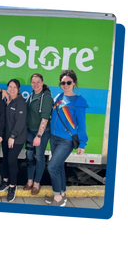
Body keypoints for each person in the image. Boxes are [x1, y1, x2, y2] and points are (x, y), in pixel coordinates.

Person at [45, 69, 88, 206]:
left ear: (74, 82)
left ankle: (57, 198)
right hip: (54, 138)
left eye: (68, 82)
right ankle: (62, 193)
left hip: (66, 141)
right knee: (58, 167)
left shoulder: (78, 101)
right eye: (63, 82)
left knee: (52, 167)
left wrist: (82, 143)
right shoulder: (58, 97)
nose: (65, 84)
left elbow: (81, 124)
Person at [0, 79, 27, 202]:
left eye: (15, 87)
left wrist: (13, 136)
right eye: (10, 87)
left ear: (18, 89)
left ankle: (12, 186)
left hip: (16, 138)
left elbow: (20, 122)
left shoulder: (21, 103)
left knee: (11, 161)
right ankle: (5, 181)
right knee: (5, 159)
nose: (12, 89)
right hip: (6, 137)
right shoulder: (8, 100)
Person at [23, 73, 53, 195]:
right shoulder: (31, 95)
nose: (35, 84)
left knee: (39, 156)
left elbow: (45, 118)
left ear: (42, 82)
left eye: (38, 82)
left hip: (42, 133)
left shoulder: (46, 97)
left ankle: (36, 183)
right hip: (30, 131)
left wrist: (39, 136)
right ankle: (29, 181)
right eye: (33, 82)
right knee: (29, 156)